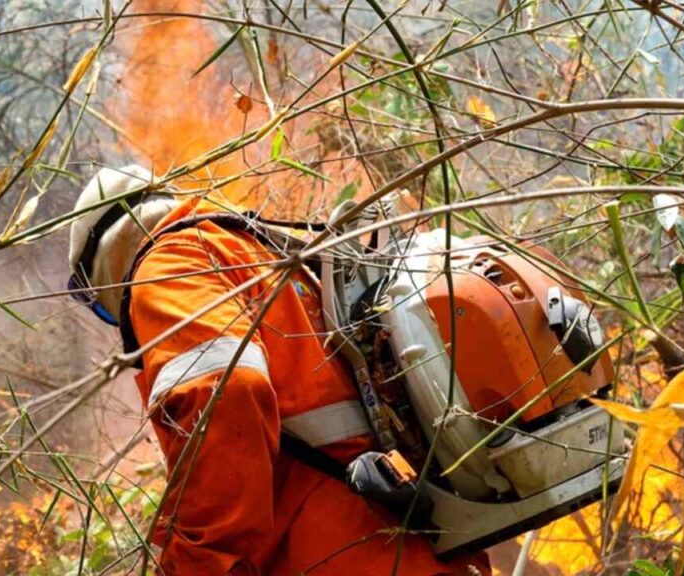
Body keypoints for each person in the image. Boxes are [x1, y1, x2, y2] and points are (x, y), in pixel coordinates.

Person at [66, 165, 490, 575]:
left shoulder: (168, 266)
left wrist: (194, 565)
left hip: (335, 551)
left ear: (104, 266)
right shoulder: (262, 251)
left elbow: (223, 393)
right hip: (418, 547)